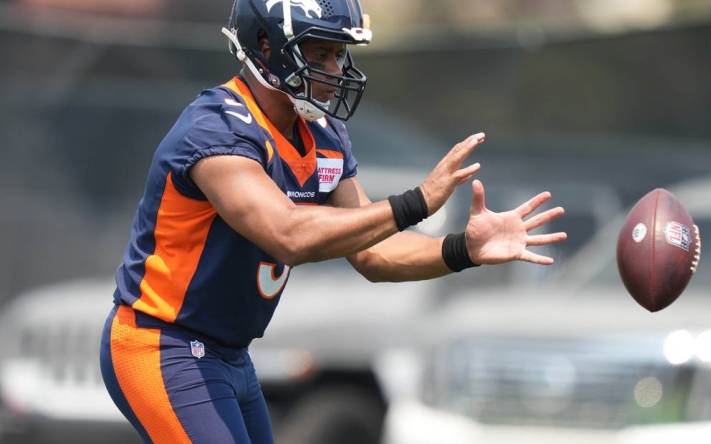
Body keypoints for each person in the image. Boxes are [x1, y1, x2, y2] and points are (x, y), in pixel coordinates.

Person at [99, 0, 568, 442]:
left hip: (230, 353)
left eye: (340, 53)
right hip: (162, 343)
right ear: (267, 45)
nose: (335, 70)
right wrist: (417, 202)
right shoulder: (217, 128)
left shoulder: (321, 134)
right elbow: (287, 234)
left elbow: (372, 251)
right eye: (321, 52)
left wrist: (461, 249)